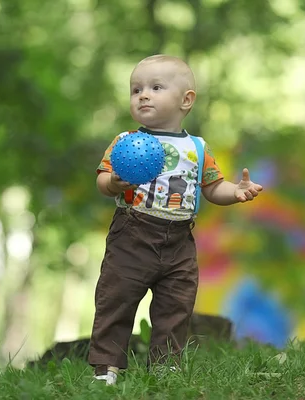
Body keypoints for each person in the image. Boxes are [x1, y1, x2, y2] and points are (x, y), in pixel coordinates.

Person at [90, 54, 263, 385]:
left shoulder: (197, 148)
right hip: (132, 234)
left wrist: (236, 192)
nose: (143, 95)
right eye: (136, 89)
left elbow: (213, 188)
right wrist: (114, 182)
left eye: (155, 87)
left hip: (179, 240)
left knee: (177, 303)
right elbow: (102, 180)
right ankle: (106, 367)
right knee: (116, 298)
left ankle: (166, 365)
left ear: (186, 100)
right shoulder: (126, 142)